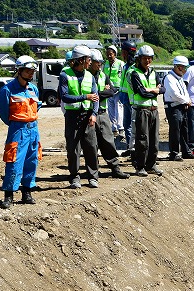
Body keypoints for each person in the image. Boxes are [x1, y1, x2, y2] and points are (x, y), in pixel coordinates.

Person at [0, 56, 43, 208]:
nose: (31, 74)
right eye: (28, 71)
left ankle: (27, 192)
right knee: (14, 161)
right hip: (18, 130)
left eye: (32, 71)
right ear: (19, 70)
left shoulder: (33, 89)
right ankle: (9, 194)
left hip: (33, 129)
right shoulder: (7, 90)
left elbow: (37, 106)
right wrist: (16, 124)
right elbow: (3, 111)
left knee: (32, 161)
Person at [85, 48, 131, 179]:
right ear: (90, 62)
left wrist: (97, 95)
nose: (99, 64)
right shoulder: (85, 76)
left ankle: (115, 168)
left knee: (108, 141)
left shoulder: (103, 75)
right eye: (96, 62)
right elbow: (85, 95)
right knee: (91, 145)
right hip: (89, 114)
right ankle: (93, 173)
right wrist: (100, 93)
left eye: (100, 62)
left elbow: (111, 91)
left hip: (102, 113)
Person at [59, 45, 101, 188]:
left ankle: (93, 176)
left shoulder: (90, 76)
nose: (90, 62)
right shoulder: (65, 75)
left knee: (91, 147)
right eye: (88, 59)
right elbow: (64, 97)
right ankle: (74, 177)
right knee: (73, 148)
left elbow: (96, 97)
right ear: (81, 60)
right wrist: (84, 97)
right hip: (72, 116)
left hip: (88, 115)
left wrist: (94, 114)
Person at [126, 44, 163, 177]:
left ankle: (151, 165)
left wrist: (152, 90)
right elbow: (141, 93)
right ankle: (140, 166)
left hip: (154, 110)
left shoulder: (153, 72)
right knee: (142, 140)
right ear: (139, 58)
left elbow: (163, 89)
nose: (147, 61)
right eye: (145, 58)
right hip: (142, 110)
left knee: (154, 140)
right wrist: (155, 91)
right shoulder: (134, 73)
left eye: (150, 58)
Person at [162, 55, 194, 161]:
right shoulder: (169, 78)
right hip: (173, 107)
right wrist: (186, 101)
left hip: (181, 106)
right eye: (184, 67)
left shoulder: (179, 78)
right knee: (175, 130)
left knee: (184, 130)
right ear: (178, 67)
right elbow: (174, 93)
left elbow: (184, 92)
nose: (185, 70)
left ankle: (186, 151)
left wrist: (187, 101)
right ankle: (174, 152)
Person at [117, 41, 138, 149]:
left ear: (125, 52)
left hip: (130, 98)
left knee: (130, 125)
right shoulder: (126, 66)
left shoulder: (133, 67)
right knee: (127, 125)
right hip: (125, 97)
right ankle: (130, 147)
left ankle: (133, 148)